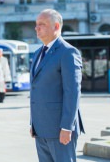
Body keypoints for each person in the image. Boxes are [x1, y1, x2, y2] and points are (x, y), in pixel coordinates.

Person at [30, 9, 85, 162]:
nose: (37, 28)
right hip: (41, 127)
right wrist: (33, 123)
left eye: (42, 24)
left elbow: (72, 92)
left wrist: (67, 127)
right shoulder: (37, 54)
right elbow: (37, 90)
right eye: (36, 24)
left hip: (60, 129)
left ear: (55, 26)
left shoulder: (68, 52)